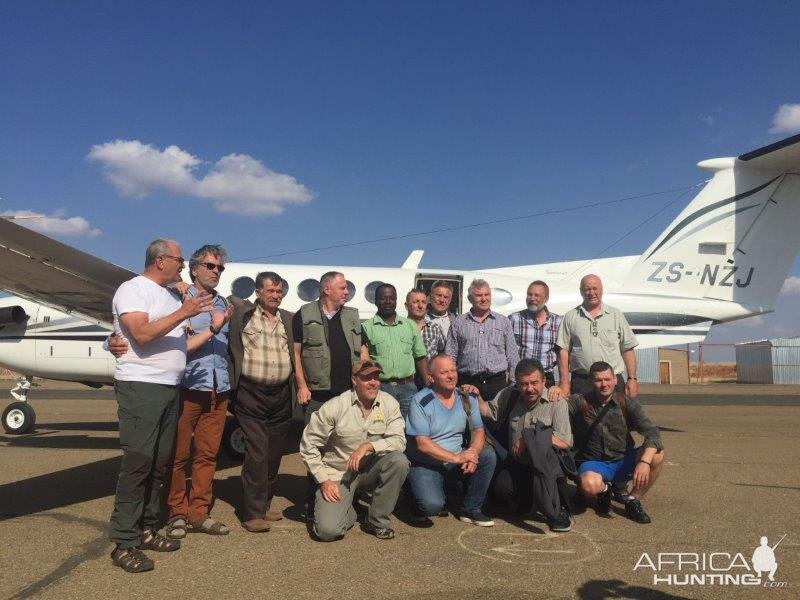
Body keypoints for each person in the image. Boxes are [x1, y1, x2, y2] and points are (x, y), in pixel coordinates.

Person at [109, 238, 213, 573]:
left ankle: (148, 529)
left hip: (170, 388)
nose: (183, 266)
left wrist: (213, 328)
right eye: (179, 260)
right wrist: (185, 311)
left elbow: (181, 344)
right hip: (141, 386)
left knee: (159, 464)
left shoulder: (171, 295)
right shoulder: (133, 289)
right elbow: (140, 334)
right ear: (160, 260)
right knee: (138, 464)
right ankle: (124, 542)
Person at [164, 245, 234, 539]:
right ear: (193, 269)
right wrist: (174, 284)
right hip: (187, 387)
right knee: (178, 455)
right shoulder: (177, 298)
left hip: (218, 389)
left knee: (207, 455)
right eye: (209, 266)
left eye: (219, 268)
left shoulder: (224, 303)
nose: (215, 272)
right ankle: (176, 512)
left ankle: (199, 513)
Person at [299, 359, 409, 541]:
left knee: (399, 461)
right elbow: (308, 445)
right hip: (339, 474)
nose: (373, 382)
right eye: (367, 378)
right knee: (328, 531)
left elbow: (399, 440)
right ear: (354, 380)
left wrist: (369, 445)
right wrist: (323, 480)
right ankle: (348, 509)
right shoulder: (335, 406)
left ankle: (376, 521)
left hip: (370, 470)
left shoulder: (390, 403)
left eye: (376, 377)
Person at [228, 271, 295, 533]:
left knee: (274, 453)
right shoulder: (243, 314)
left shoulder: (287, 319)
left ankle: (265, 505)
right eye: (270, 291)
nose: (276, 296)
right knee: (257, 452)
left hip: (280, 394)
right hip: (250, 392)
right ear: (258, 292)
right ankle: (252, 513)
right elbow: (225, 297)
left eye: (279, 292)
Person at [293, 271, 362, 518]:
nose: (346, 292)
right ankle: (312, 501)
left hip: (347, 395)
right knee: (316, 448)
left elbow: (362, 351)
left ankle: (344, 497)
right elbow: (296, 353)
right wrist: (301, 385)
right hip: (317, 395)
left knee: (344, 446)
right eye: (342, 288)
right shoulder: (305, 314)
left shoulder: (353, 316)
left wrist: (363, 386)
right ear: (326, 289)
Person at [478, 359, 573, 532]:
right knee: (502, 488)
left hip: (548, 467)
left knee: (551, 454)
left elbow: (564, 442)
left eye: (534, 383)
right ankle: (530, 500)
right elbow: (489, 411)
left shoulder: (556, 402)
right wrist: (474, 395)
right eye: (524, 384)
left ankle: (560, 509)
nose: (529, 388)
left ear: (544, 381)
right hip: (520, 464)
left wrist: (528, 439)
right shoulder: (510, 395)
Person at [567, 361, 664, 524]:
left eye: (607, 379)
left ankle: (633, 499)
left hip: (622, 460)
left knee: (657, 455)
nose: (603, 384)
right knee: (589, 485)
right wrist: (554, 391)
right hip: (594, 462)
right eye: (598, 380)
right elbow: (557, 408)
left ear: (615, 380)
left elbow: (653, 433)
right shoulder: (579, 402)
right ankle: (604, 490)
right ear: (591, 382)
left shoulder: (627, 403)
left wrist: (645, 462)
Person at [406, 354, 496, 527]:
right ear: (431, 378)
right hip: (427, 463)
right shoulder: (420, 402)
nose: (451, 375)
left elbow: (478, 431)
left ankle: (471, 509)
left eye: (453, 370)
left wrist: (472, 454)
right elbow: (422, 443)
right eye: (444, 372)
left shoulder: (466, 398)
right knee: (432, 506)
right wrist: (458, 458)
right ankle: (415, 499)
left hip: (456, 459)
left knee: (488, 456)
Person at [556, 274, 638, 398]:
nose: (591, 292)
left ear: (602, 290)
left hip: (612, 382)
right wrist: (564, 382)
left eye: (595, 288)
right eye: (587, 289)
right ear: (581, 292)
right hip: (582, 382)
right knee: (581, 417)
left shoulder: (616, 315)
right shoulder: (570, 317)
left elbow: (627, 349)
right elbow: (563, 351)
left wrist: (632, 379)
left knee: (615, 417)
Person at [445, 279, 519, 401]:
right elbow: (450, 355)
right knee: (469, 419)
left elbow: (512, 356)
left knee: (498, 419)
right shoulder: (458, 323)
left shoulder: (503, 322)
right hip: (468, 383)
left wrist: (514, 384)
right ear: (470, 299)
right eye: (479, 295)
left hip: (497, 384)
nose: (484, 299)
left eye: (487, 294)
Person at [361, 283, 428, 417]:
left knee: (409, 428)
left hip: (408, 387)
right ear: (376, 301)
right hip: (381, 388)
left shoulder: (409, 325)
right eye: (383, 298)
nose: (388, 302)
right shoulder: (366, 327)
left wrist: (427, 382)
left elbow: (420, 356)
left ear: (396, 300)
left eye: (391, 298)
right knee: (380, 426)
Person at [508, 281, 561, 388]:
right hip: (521, 378)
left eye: (537, 295)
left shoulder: (558, 321)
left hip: (547, 379)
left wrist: (559, 381)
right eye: (529, 294)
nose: (532, 298)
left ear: (546, 298)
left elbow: (561, 353)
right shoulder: (514, 319)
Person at [406, 289, 446, 359]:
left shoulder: (435, 328)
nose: (420, 306)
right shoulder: (400, 328)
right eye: (416, 302)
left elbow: (443, 353)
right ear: (406, 306)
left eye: (423, 302)